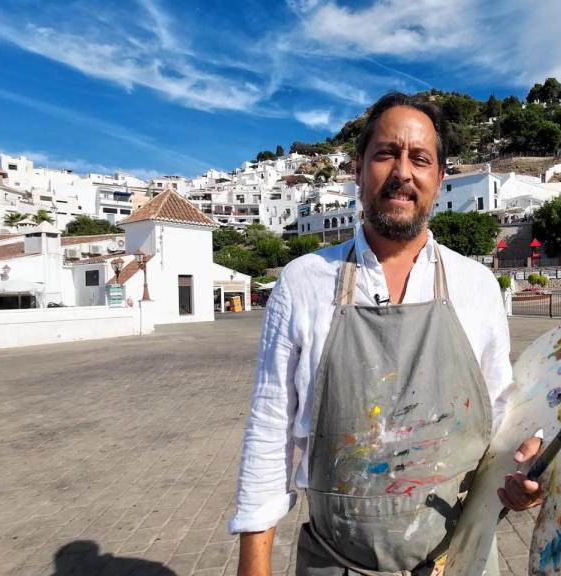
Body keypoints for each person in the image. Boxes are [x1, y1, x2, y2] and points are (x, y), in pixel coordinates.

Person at [230, 93, 544, 575]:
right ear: (357, 169)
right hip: (334, 562)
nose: (402, 172)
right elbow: (269, 433)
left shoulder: (476, 286)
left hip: (457, 563)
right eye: (385, 154)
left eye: (420, 159)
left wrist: (520, 472)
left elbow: (501, 417)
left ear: (440, 179)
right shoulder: (303, 282)